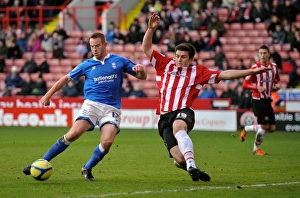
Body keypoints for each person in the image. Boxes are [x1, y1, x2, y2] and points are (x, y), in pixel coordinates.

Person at [141, 13, 272, 182]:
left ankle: (191, 164)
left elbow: (225, 74)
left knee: (178, 127)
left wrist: (251, 72)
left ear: (190, 59)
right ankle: (189, 165)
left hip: (183, 111)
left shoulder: (198, 72)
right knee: (178, 159)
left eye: (183, 57)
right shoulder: (165, 64)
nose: (179, 60)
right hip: (164, 117)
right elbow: (146, 48)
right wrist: (151, 29)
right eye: (177, 56)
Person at [22, 32, 147, 181]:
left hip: (112, 108)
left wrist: (141, 70)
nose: (94, 49)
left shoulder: (118, 61)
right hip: (91, 105)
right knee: (73, 134)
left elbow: (141, 76)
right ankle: (41, 162)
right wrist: (48, 95)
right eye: (92, 46)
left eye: (97, 46)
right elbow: (65, 78)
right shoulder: (86, 65)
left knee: (107, 143)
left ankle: (87, 167)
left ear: (105, 45)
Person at [239, 45, 281, 156]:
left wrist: (277, 86)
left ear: (269, 54)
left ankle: (247, 128)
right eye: (260, 53)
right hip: (257, 99)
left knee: (272, 128)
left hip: (268, 99)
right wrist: (256, 87)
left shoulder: (274, 67)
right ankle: (256, 149)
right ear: (258, 55)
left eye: (264, 53)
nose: (262, 55)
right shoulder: (254, 68)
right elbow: (245, 84)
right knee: (264, 126)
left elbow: (277, 80)